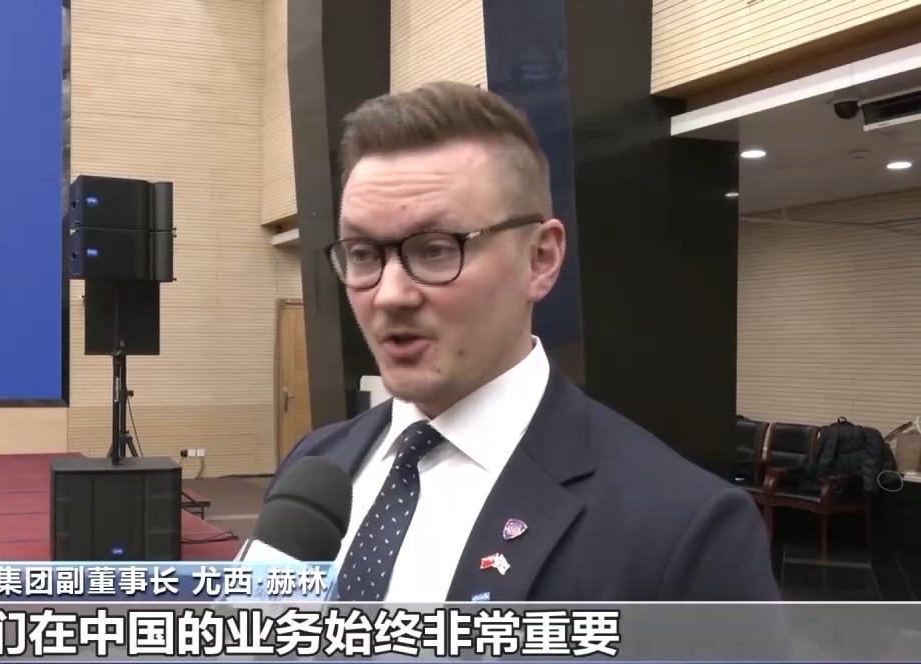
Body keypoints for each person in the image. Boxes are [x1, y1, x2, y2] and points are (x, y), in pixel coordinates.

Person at [274, 81, 780, 602]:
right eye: (362, 254)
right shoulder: (314, 468)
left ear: (541, 259)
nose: (390, 295)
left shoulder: (684, 531)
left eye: (436, 249)